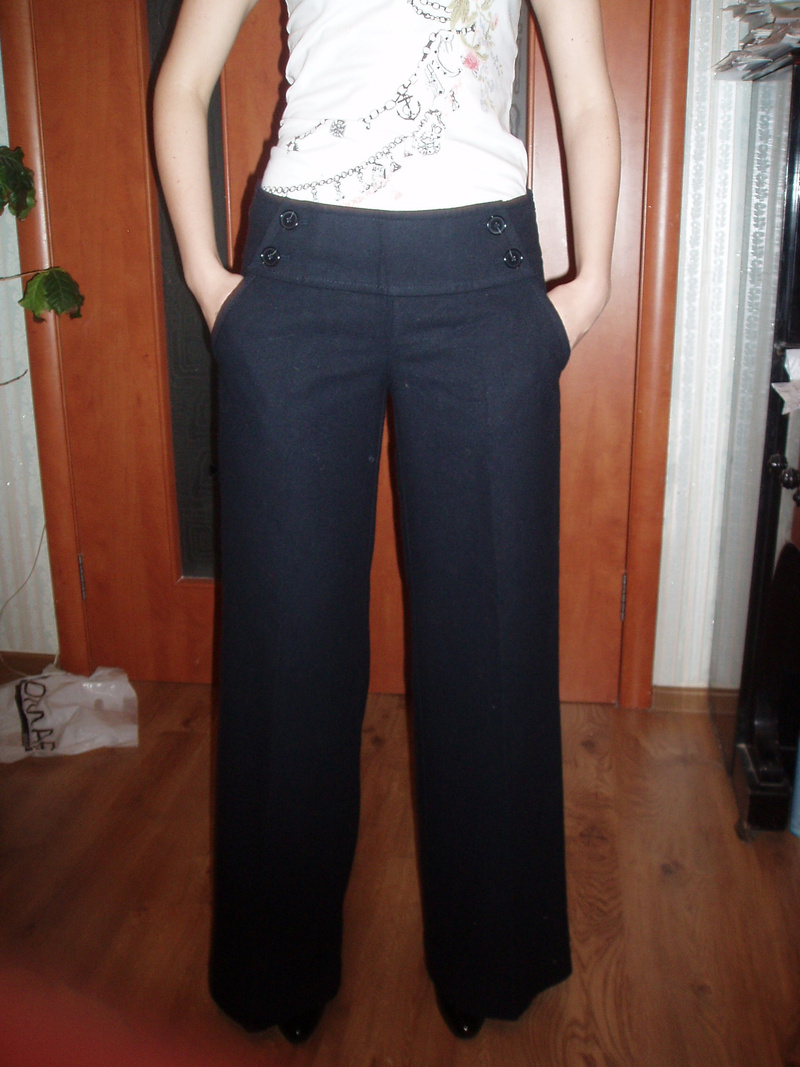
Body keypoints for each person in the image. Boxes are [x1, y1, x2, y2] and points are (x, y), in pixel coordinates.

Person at [153, 0, 620, 1044]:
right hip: (298, 277)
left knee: (489, 638)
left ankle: (489, 950)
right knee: (287, 639)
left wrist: (588, 289)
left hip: (482, 278)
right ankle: (277, 963)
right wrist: (205, 280)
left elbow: (585, 94)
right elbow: (181, 81)